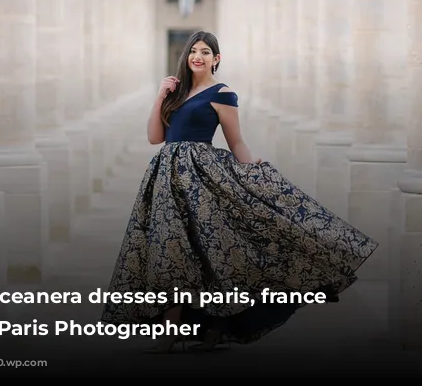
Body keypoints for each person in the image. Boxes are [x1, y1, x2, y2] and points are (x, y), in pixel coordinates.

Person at [100, 30, 378, 353]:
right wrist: (160, 96)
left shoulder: (223, 94)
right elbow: (154, 138)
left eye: (206, 52)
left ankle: (200, 330)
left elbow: (236, 142)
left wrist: (252, 169)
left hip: (202, 181)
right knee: (168, 252)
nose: (198, 57)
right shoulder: (177, 93)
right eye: (193, 51)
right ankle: (188, 330)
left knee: (207, 256)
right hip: (165, 181)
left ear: (216, 59)